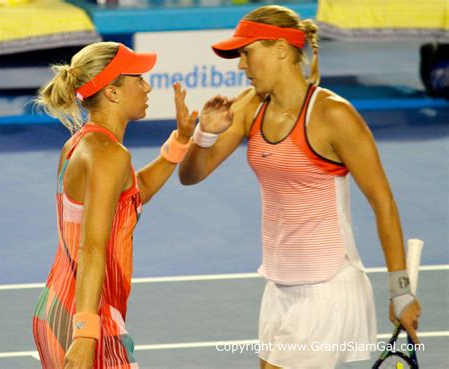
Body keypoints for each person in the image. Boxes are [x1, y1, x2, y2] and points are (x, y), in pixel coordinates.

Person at [179, 5, 421, 369]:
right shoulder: (248, 108)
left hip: (328, 287)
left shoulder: (333, 115)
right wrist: (205, 135)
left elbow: (382, 201)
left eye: (247, 53)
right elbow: (191, 175)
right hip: (279, 284)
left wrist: (400, 292)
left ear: (280, 48)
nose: (240, 65)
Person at [32, 42, 197, 369]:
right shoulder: (109, 155)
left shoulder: (81, 144)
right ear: (112, 92)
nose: (147, 86)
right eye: (138, 78)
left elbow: (134, 193)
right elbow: (91, 248)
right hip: (89, 318)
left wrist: (180, 141)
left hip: (56, 308)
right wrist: (85, 334)